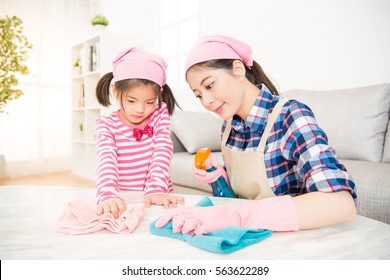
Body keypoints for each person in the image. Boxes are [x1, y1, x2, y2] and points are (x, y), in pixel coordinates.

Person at [155, 35, 357, 235]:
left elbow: (340, 204)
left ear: (238, 69)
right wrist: (219, 177)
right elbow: (239, 198)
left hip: (292, 240)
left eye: (209, 85)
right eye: (198, 95)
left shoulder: (290, 116)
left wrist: (239, 216)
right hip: (250, 236)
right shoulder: (228, 127)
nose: (206, 100)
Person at [95, 47, 184, 218]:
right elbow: (106, 159)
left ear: (159, 95)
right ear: (115, 90)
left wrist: (156, 189)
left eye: (150, 102)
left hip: (157, 194)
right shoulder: (106, 125)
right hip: (123, 199)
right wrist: (107, 194)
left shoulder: (159, 116)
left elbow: (162, 151)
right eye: (131, 100)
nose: (140, 109)